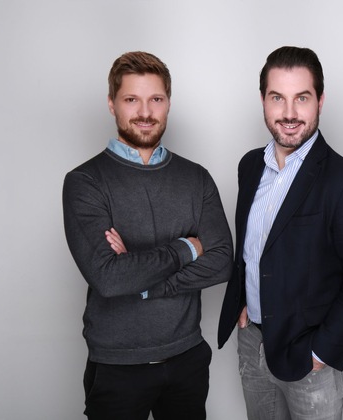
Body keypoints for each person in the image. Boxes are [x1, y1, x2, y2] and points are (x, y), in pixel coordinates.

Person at [62, 51, 233, 420]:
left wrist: (143, 282)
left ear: (168, 102)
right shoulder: (85, 182)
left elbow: (221, 261)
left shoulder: (196, 178)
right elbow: (109, 278)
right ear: (112, 104)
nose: (145, 111)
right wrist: (187, 247)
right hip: (117, 366)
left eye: (155, 99)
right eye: (131, 99)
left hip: (187, 358)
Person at [217, 46, 343, 420]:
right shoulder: (249, 167)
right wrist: (245, 299)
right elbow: (255, 250)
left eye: (302, 98)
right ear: (263, 100)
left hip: (310, 356)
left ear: (320, 101)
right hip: (252, 342)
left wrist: (322, 351)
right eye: (278, 97)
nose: (289, 113)